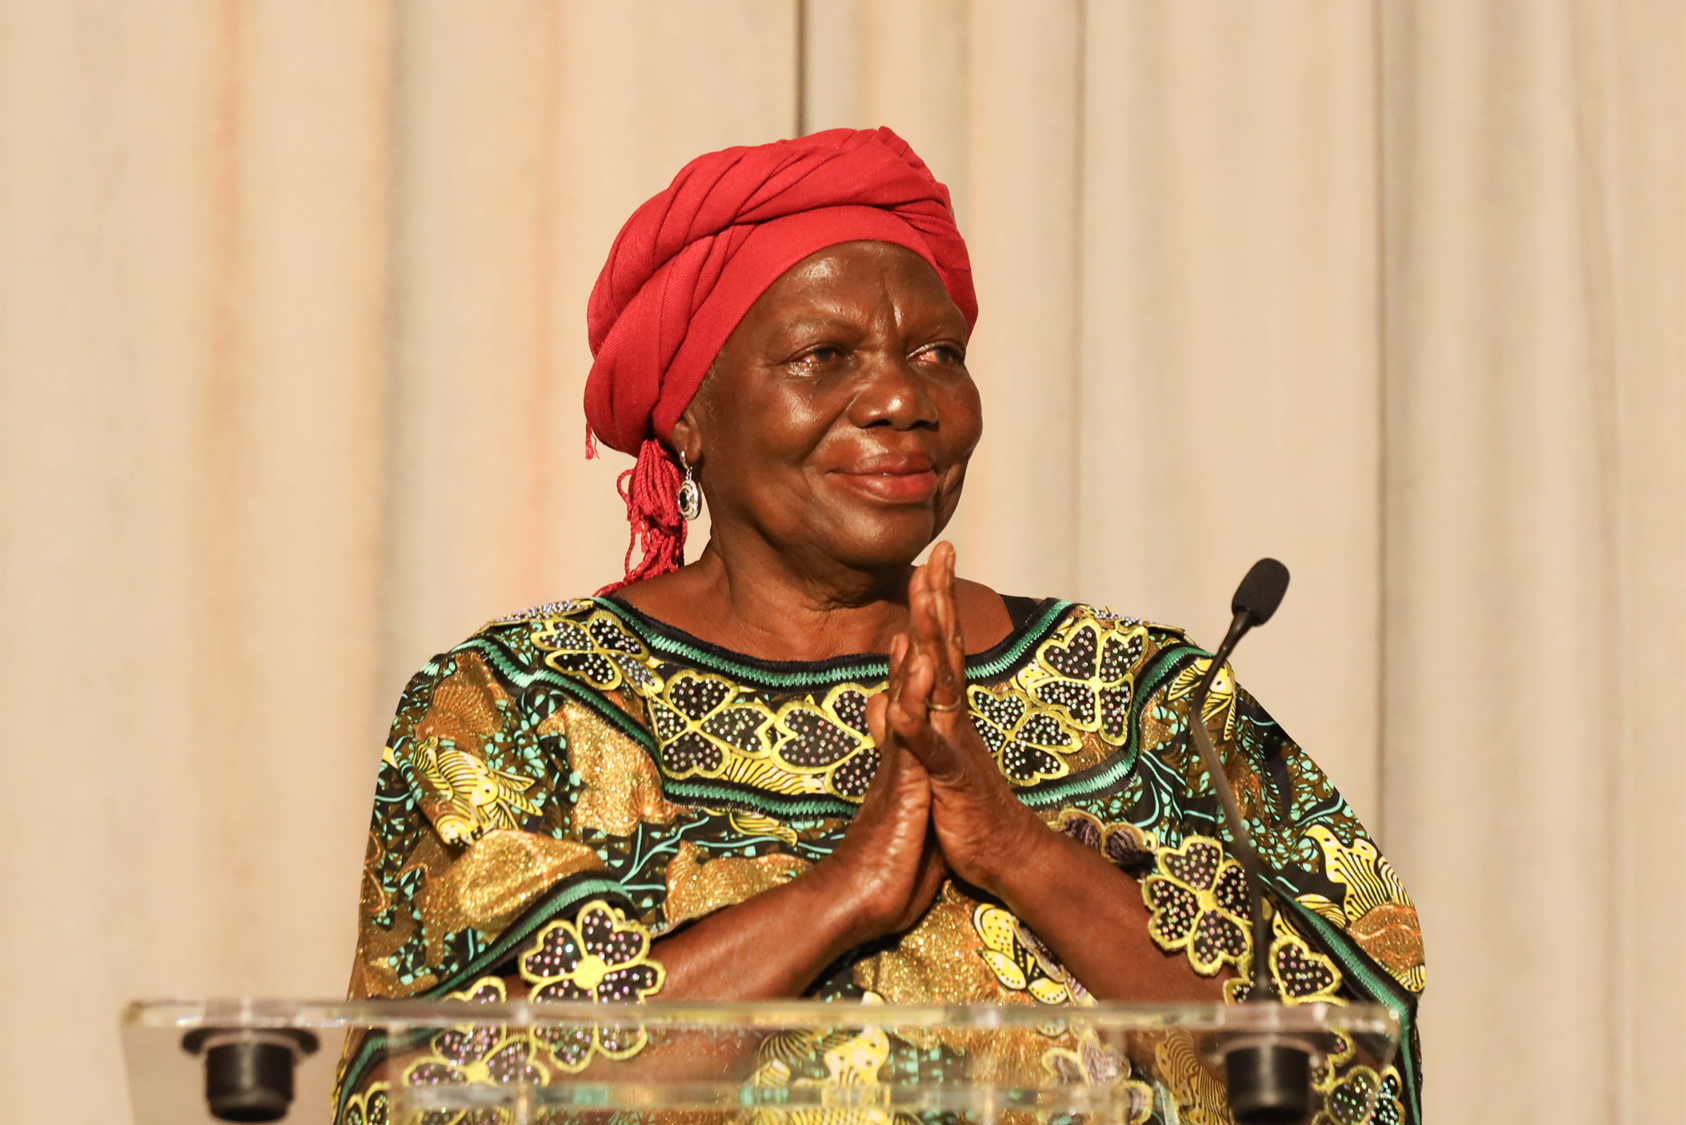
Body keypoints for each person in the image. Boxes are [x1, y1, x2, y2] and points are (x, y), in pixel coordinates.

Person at [334, 128, 1425, 1125]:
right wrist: (843, 894)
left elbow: (1351, 1074)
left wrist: (1018, 849)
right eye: (825, 356)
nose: (903, 398)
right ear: (688, 414)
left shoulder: (1148, 698)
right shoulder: (520, 701)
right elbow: (439, 1096)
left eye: (937, 354)